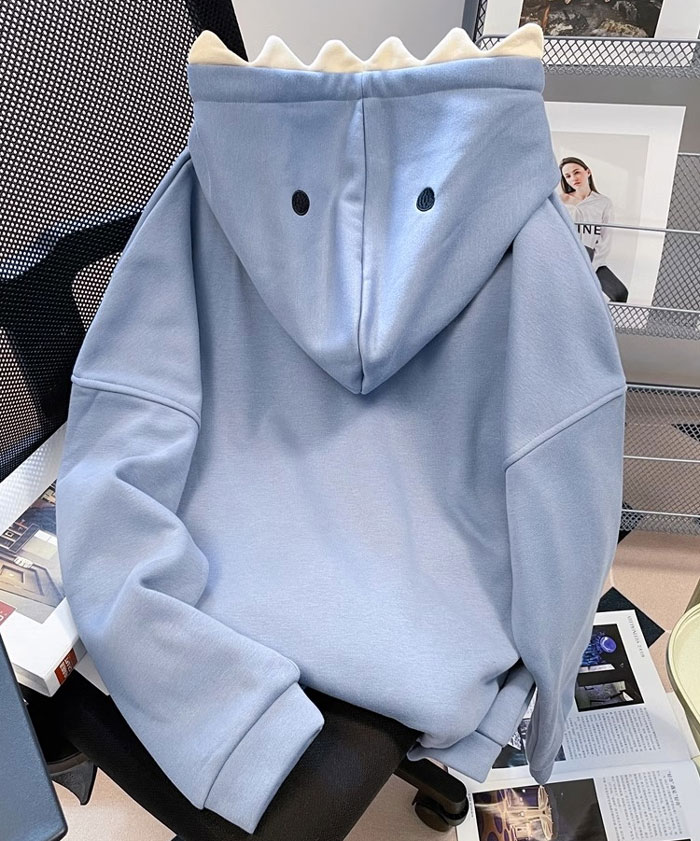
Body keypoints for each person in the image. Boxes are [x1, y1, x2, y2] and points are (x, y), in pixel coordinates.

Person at [559, 156, 628, 302]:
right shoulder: (560, 201)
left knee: (620, 294)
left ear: (588, 172)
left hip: (591, 258)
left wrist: (591, 267)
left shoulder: (603, 203)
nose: (573, 178)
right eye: (568, 176)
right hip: (565, 255)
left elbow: (605, 239)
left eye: (577, 172)